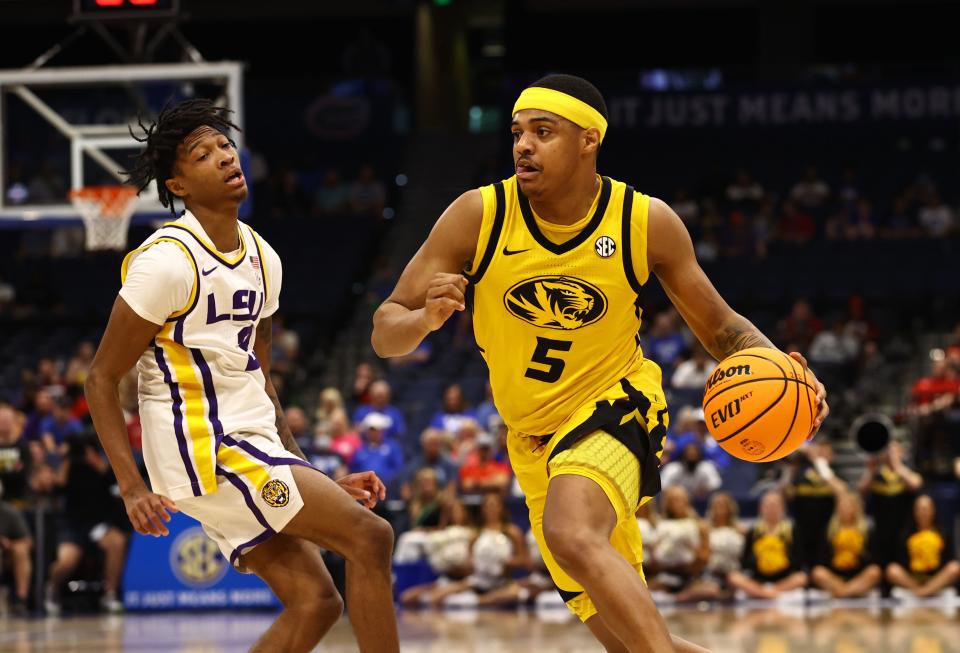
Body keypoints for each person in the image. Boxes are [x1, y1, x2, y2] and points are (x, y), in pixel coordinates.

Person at [372, 73, 826, 653]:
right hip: (532, 441)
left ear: (589, 140)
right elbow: (386, 334)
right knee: (630, 643)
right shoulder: (478, 215)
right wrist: (423, 320)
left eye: (543, 132)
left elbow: (722, 328)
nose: (522, 146)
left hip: (618, 405)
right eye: (517, 133)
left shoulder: (644, 221)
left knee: (570, 533)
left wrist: (788, 372)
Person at [84, 100, 398, 653]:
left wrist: (307, 472)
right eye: (204, 154)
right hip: (203, 446)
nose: (226, 157)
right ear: (178, 184)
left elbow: (262, 380)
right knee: (370, 537)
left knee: (317, 603)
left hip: (245, 440)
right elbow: (101, 378)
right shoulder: (166, 262)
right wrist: (131, 486)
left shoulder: (262, 257)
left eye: (226, 146)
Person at [44, 432, 128, 615]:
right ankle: (52, 590)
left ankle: (110, 595)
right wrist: (66, 461)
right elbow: (58, 488)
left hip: (97, 524)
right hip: (72, 525)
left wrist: (97, 464)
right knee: (66, 562)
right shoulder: (68, 465)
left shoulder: (99, 464)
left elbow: (115, 486)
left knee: (117, 542)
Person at [727, 491, 808, 600]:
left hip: (784, 578)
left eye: (775, 505)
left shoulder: (792, 530)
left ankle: (767, 593)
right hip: (758, 580)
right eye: (767, 505)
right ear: (761, 509)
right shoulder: (754, 531)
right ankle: (767, 594)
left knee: (801, 578)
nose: (771, 509)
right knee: (734, 577)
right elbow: (745, 563)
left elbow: (799, 562)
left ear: (783, 508)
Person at [857, 440, 922, 568]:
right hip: (880, 531)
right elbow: (861, 490)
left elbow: (915, 484)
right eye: (887, 450)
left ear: (902, 453)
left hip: (904, 530)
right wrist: (871, 469)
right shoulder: (877, 475)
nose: (889, 454)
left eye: (895, 450)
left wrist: (897, 465)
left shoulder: (907, 472)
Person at [885, 494, 960, 599]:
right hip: (913, 578)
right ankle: (923, 592)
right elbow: (900, 562)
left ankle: (923, 592)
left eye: (926, 509)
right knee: (892, 569)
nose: (923, 512)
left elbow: (949, 560)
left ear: (933, 510)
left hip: (936, 577)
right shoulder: (906, 534)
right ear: (914, 512)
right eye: (919, 509)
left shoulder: (943, 532)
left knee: (955, 567)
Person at [810, 491, 881, 599]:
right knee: (817, 572)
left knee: (874, 571)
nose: (845, 509)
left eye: (849, 505)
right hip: (835, 576)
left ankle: (843, 593)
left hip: (858, 576)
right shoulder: (829, 530)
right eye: (842, 505)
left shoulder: (867, 530)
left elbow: (873, 560)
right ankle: (847, 593)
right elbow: (822, 561)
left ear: (856, 508)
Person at [675, 492, 744, 603]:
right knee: (711, 590)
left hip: (733, 574)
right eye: (716, 505)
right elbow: (700, 556)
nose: (719, 508)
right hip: (711, 574)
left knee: (737, 581)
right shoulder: (704, 529)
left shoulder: (740, 530)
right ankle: (676, 598)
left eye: (723, 505)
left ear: (730, 508)